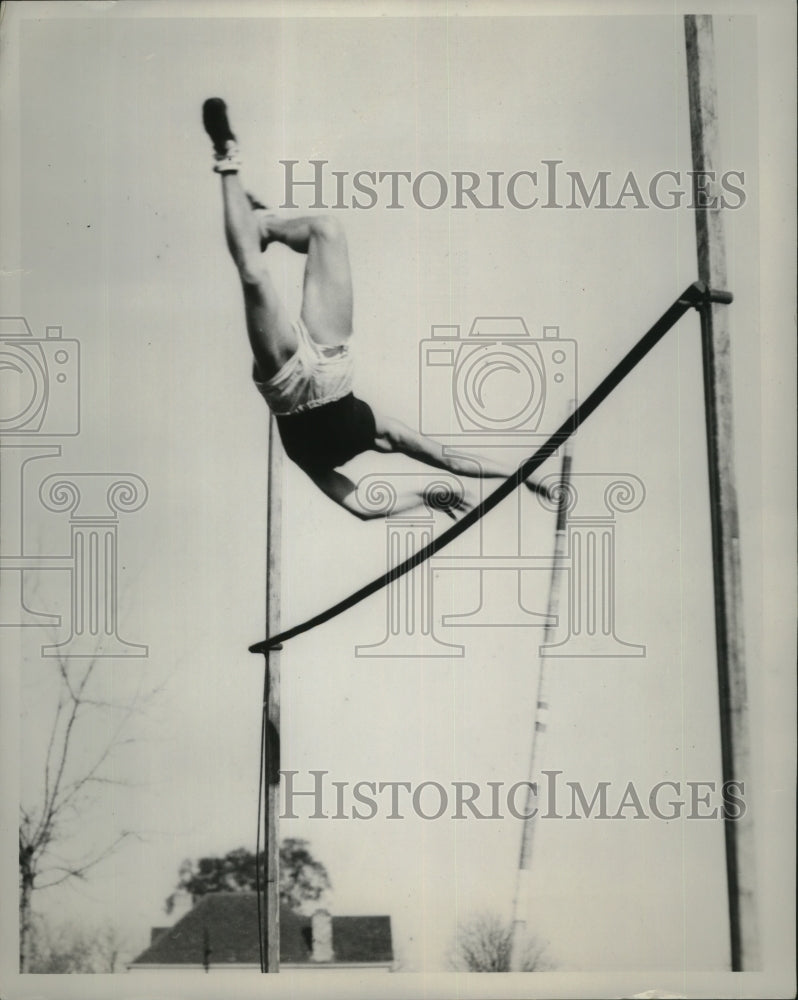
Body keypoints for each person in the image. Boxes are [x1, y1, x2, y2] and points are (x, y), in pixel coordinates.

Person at [202, 98, 549, 520]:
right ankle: (258, 212)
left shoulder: (315, 461)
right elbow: (450, 459)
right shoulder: (378, 430)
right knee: (327, 230)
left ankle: (233, 172)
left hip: (287, 386)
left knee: (255, 278)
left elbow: (364, 508)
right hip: (331, 366)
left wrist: (426, 498)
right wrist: (522, 476)